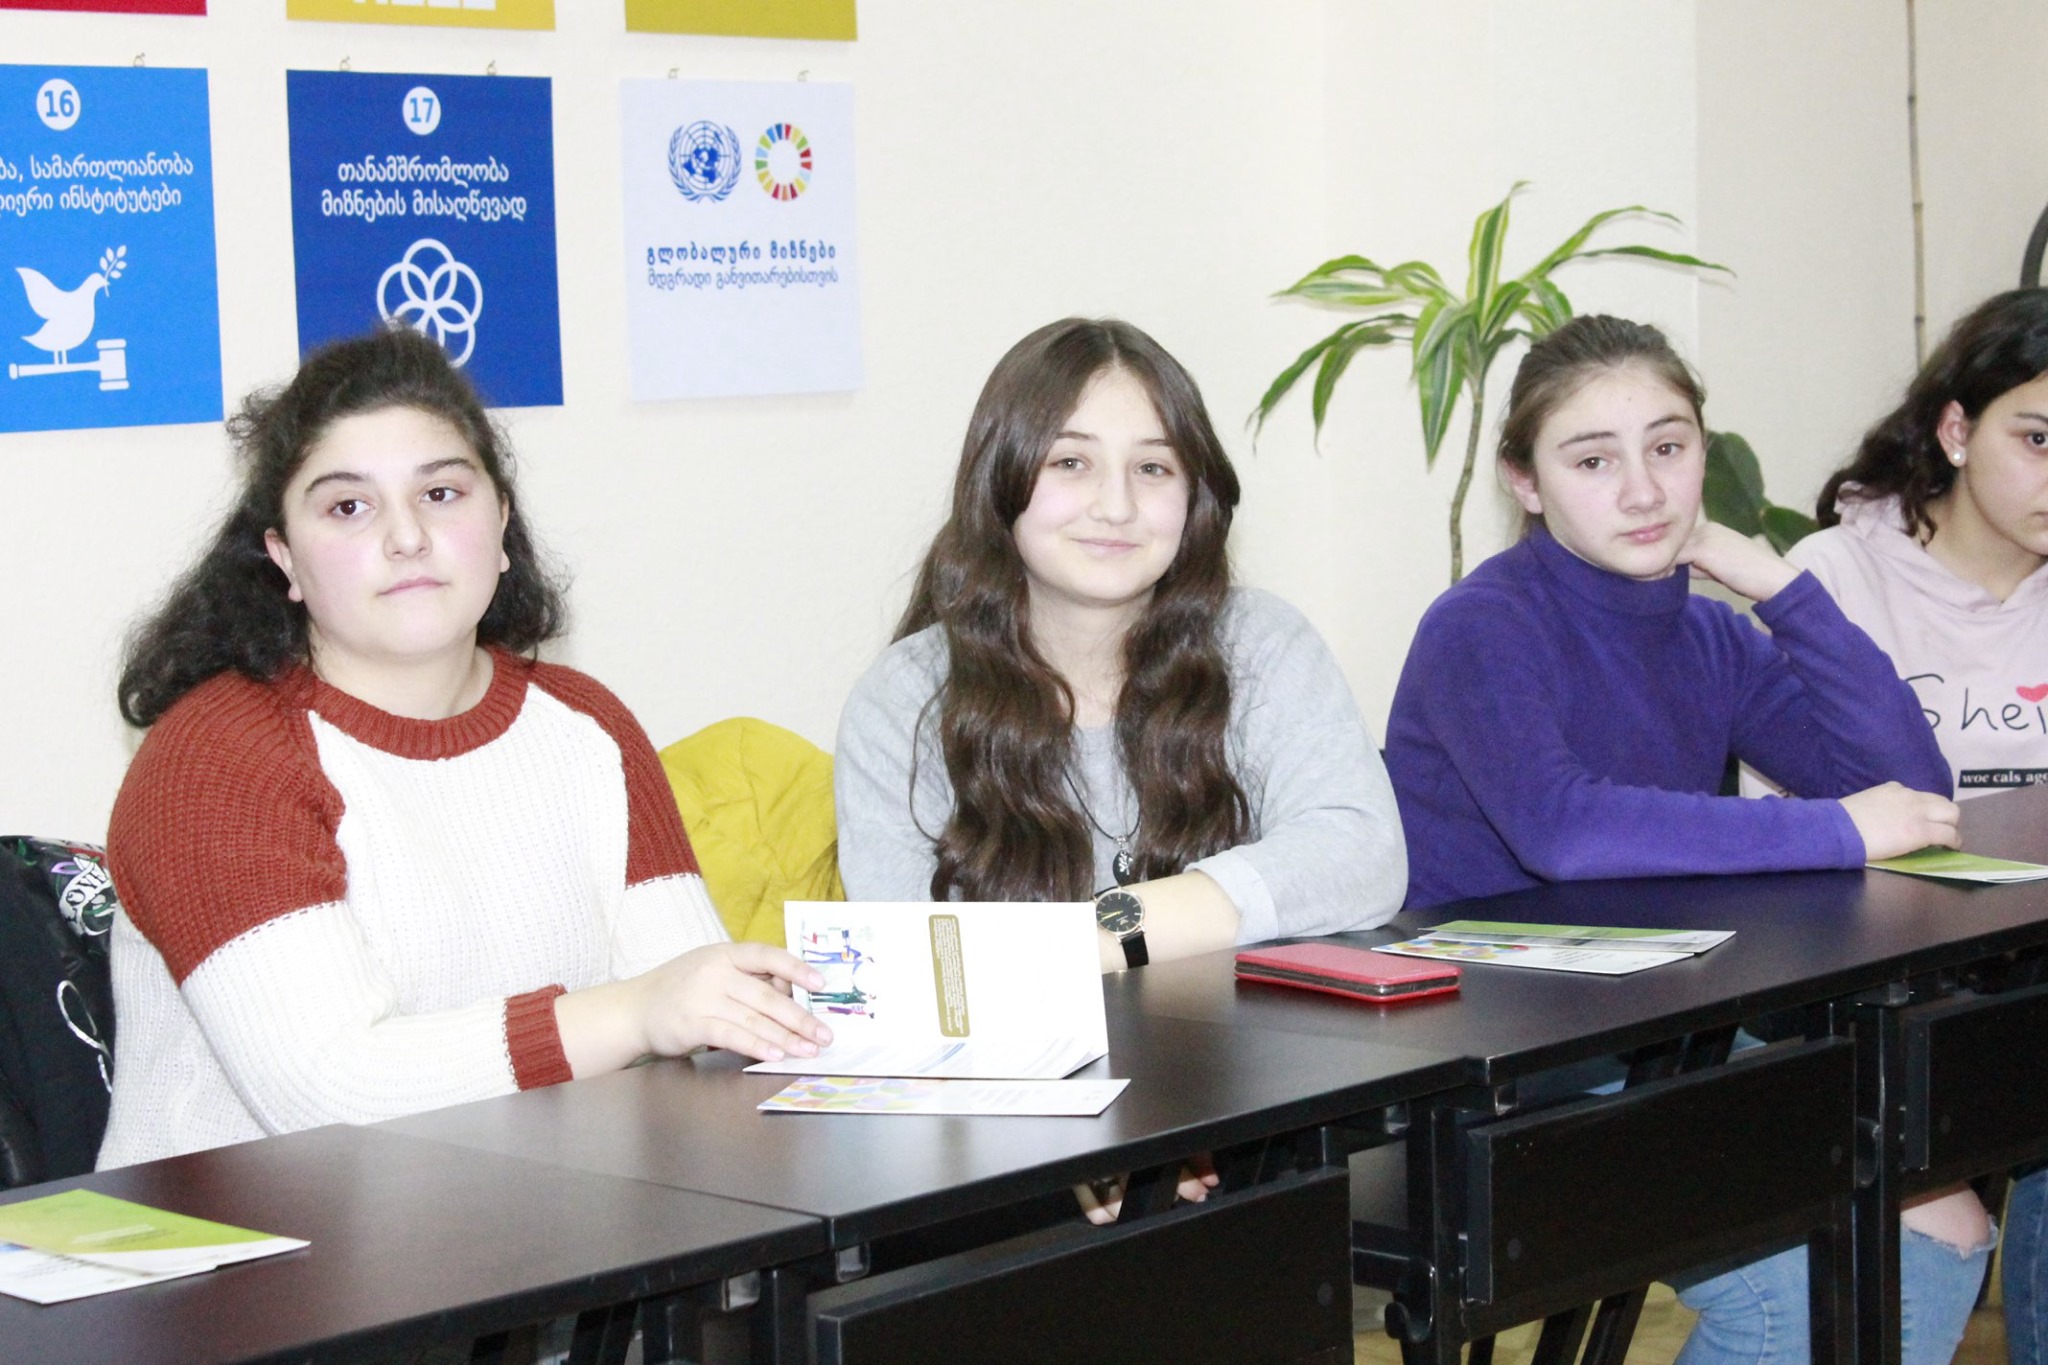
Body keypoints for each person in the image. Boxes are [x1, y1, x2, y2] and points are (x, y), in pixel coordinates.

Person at [1383, 314, 1989, 1365]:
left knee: (1944, 1233)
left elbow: (1910, 790)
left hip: (1664, 1027)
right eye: (1592, 460)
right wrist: (1836, 829)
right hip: (1503, 1070)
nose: (1642, 491)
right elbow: (1564, 830)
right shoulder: (1480, 624)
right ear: (1525, 482)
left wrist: (1782, 589)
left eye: (1667, 447)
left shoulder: (1708, 631)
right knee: (1805, 1300)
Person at [98, 327, 829, 1169]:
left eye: (441, 493)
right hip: (242, 1242)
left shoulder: (587, 724)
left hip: (531, 1223)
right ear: (283, 558)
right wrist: (634, 1013)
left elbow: (692, 1024)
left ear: (502, 519)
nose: (406, 536)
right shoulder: (215, 757)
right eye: (348, 507)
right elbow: (329, 1091)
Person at [833, 316, 1406, 1220]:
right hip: (1002, 1149)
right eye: (1071, 462)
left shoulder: (1261, 644)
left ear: (1195, 494)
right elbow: (912, 974)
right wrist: (1057, 1115)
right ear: (1000, 479)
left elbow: (1361, 852)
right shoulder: (906, 697)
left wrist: (1097, 937)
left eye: (1153, 468)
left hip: (1251, 1112)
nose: (1116, 505)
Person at [1788, 287, 2048, 1365]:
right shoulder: (1834, 579)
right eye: (2037, 440)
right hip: (1881, 983)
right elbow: (1798, 833)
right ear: (1954, 429)